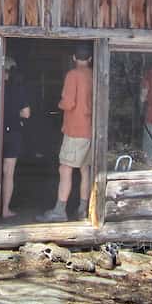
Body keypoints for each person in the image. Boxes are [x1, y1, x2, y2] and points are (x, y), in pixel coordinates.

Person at [41, 43, 94, 222]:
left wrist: (60, 104)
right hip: (90, 129)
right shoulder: (94, 75)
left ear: (73, 58)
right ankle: (83, 209)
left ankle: (60, 210)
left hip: (74, 129)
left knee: (65, 169)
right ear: (90, 59)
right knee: (85, 169)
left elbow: (69, 103)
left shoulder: (73, 75)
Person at [1, 56, 31, 219]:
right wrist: (14, 113)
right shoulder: (18, 88)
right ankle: (5, 209)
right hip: (12, 132)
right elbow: (26, 113)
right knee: (8, 173)